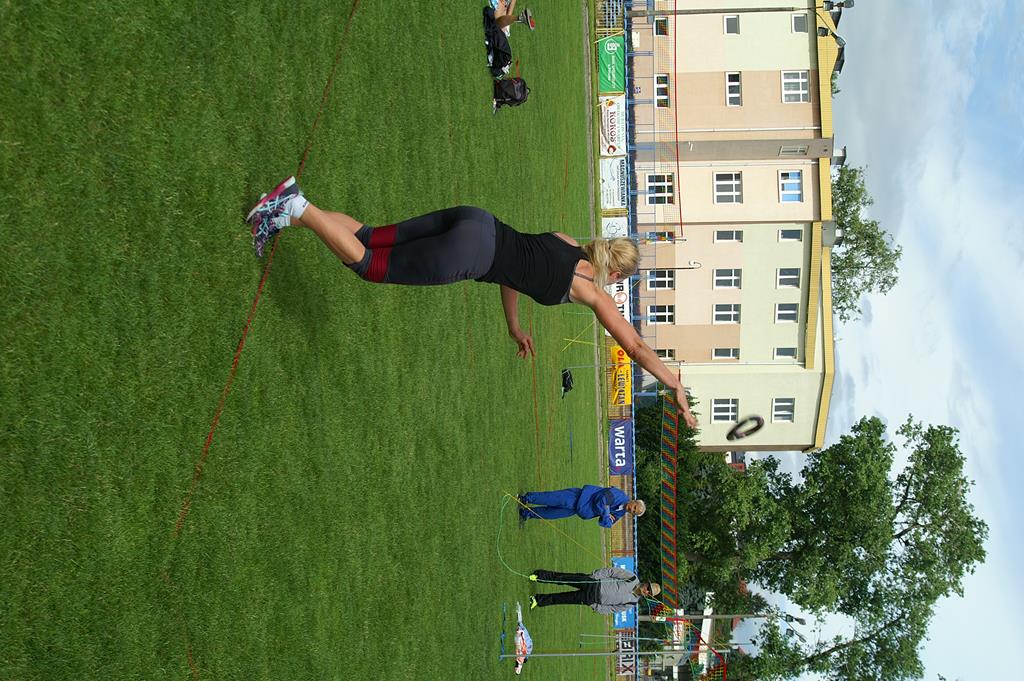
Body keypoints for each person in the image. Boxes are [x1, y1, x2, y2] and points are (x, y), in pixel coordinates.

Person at [245, 177, 698, 429]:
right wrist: (673, 385)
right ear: (615, 274)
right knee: (369, 264)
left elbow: (515, 272)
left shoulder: (566, 241)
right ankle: (296, 205)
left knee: (368, 235)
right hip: (469, 254)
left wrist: (514, 325)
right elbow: (636, 347)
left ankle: (279, 215)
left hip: (478, 222)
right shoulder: (591, 292)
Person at [528, 567, 660, 614]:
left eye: (649, 593)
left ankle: (538, 600)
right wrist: (594, 576)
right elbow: (611, 571)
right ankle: (539, 576)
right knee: (563, 578)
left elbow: (612, 609)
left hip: (592, 599)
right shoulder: (632, 578)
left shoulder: (632, 603)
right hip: (593, 583)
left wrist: (595, 606)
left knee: (562, 599)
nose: (647, 591)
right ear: (646, 584)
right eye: (648, 588)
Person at [518, 485, 643, 528]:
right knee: (551, 498)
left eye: (634, 512)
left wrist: (605, 511)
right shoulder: (619, 495)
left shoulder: (620, 513)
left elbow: (606, 524)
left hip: (578, 510)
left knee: (550, 514)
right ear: (634, 501)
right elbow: (601, 499)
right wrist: (606, 512)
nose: (631, 509)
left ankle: (527, 513)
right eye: (634, 507)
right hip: (579, 497)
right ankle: (526, 498)